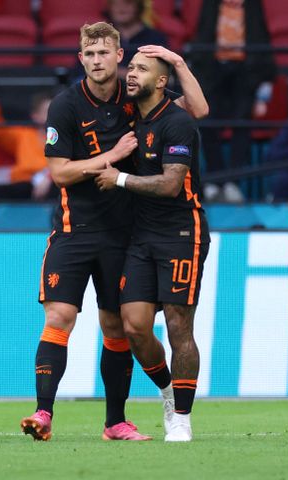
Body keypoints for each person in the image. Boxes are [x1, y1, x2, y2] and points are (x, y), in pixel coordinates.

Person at [19, 22, 208, 442]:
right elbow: (59, 172)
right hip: (74, 229)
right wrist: (114, 156)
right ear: (80, 58)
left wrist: (177, 62)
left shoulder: (136, 94)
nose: (97, 60)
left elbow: (195, 111)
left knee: (117, 327)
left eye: (105, 52)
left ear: (119, 57)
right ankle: (43, 412)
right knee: (59, 316)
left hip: (125, 233)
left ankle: (115, 422)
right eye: (90, 54)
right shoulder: (65, 106)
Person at [86, 51, 209, 442]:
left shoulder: (177, 121)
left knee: (178, 326)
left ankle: (183, 418)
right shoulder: (130, 113)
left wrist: (119, 179)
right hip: (140, 236)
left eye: (141, 69)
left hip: (181, 234)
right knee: (134, 327)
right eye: (131, 67)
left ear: (161, 81)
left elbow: (171, 184)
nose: (131, 74)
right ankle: (169, 393)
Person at [191, 0, 276, 203]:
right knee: (208, 122)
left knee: (242, 123)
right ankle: (214, 179)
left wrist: (264, 86)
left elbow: (261, 36)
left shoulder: (253, 5)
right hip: (213, 70)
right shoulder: (210, 4)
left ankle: (232, 183)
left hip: (245, 71)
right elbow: (202, 33)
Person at [0, 86, 54, 203]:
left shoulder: (65, 136)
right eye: (47, 111)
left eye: (56, 111)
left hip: (53, 184)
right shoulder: (24, 134)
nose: (53, 115)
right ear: (35, 116)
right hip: (25, 186)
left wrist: (48, 178)